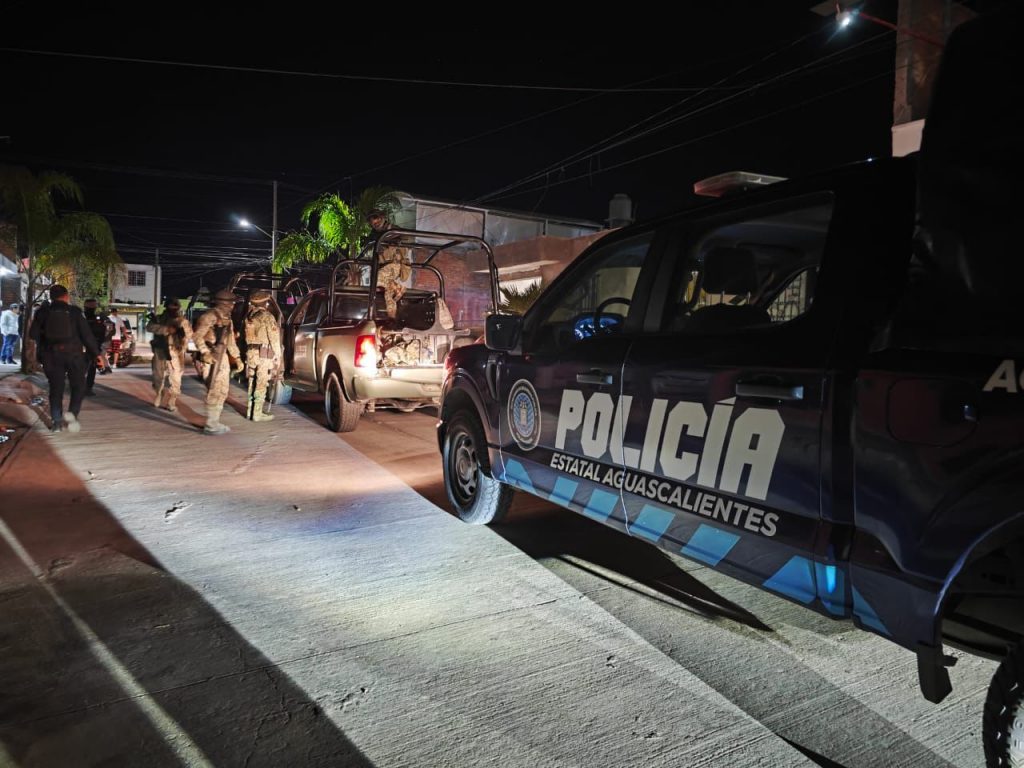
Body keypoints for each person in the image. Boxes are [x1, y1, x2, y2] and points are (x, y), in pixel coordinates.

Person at [30, 285, 100, 433]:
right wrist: (96, 354)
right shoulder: (74, 312)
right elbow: (87, 335)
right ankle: (72, 415)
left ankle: (56, 422)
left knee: (56, 388)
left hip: (51, 356)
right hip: (74, 355)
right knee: (78, 387)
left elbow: (33, 334)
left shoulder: (42, 312)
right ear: (66, 296)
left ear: (51, 296)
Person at [192, 289, 243, 435]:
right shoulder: (209, 317)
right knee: (214, 389)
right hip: (211, 357)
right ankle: (211, 424)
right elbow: (197, 336)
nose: (233, 305)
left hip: (223, 357)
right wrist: (205, 352)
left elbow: (230, 341)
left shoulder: (228, 319)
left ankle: (215, 421)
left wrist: (237, 358)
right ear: (224, 303)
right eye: (231, 303)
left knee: (223, 390)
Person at [147, 298, 193, 413]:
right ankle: (159, 393)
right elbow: (149, 327)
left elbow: (189, 335)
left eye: (175, 307)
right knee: (158, 376)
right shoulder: (159, 319)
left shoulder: (182, 321)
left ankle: (172, 400)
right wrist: (166, 329)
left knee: (176, 378)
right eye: (171, 307)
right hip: (160, 351)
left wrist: (182, 344)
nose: (173, 310)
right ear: (166, 307)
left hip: (175, 352)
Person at [243, 291, 281, 422]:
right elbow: (274, 337)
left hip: (251, 353)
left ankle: (250, 411)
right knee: (261, 383)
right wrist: (278, 355)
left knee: (252, 381)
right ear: (265, 303)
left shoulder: (249, 316)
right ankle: (257, 413)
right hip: (263, 354)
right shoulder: (267, 316)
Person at [367, 208, 411, 320]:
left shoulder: (393, 230)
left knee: (377, 281)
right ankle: (391, 316)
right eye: (373, 223)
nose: (375, 223)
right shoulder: (376, 234)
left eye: (376, 220)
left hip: (393, 264)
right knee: (386, 292)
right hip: (384, 266)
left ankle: (398, 289)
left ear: (382, 217)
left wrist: (393, 242)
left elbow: (407, 239)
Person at [82, 299, 112, 393]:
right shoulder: (81, 317)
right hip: (85, 347)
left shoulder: (99, 318)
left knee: (91, 368)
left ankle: (87, 388)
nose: (91, 309)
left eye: (93, 307)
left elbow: (109, 329)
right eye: (90, 307)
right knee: (86, 368)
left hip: (93, 347)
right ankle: (84, 388)